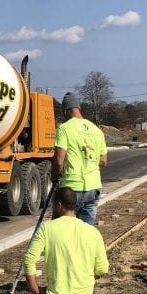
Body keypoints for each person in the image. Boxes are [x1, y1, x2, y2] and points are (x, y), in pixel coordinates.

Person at [23, 187, 131, 294]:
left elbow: (29, 259)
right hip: (84, 292)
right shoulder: (92, 231)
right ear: (74, 205)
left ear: (58, 205)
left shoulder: (46, 228)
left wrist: (35, 288)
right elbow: (103, 268)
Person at [52, 92, 107, 225]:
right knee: (86, 231)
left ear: (66, 111)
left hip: (72, 189)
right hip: (93, 187)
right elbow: (104, 161)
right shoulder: (97, 130)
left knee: (61, 228)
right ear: (79, 109)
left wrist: (54, 176)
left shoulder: (64, 128)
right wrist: (89, 159)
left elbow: (59, 161)